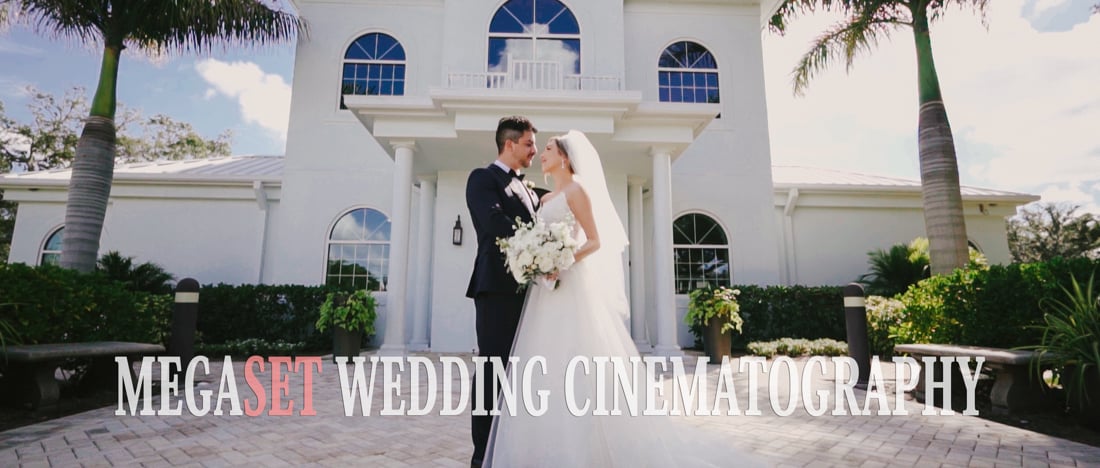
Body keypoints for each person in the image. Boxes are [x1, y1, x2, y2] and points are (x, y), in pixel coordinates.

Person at [482, 130, 764, 467]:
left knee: (578, 363)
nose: (541, 153)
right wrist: (539, 263)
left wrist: (561, 262)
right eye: (538, 148)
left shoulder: (577, 190)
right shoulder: (543, 200)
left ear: (565, 157)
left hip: (571, 286)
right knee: (544, 368)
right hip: (543, 296)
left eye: (547, 149)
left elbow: (595, 240)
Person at [465, 115, 541, 468]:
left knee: (522, 374)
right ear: (509, 144)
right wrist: (543, 244)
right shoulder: (483, 179)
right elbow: (495, 223)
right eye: (528, 144)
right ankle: (482, 457)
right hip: (495, 289)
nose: (534, 151)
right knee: (492, 372)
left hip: (527, 292)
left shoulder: (527, 187)